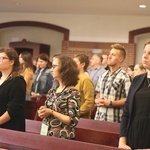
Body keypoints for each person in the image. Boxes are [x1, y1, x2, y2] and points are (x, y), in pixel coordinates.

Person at [38, 55, 80, 139]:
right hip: (46, 133)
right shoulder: (52, 91)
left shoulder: (73, 92)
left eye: (54, 66)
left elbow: (72, 120)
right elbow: (48, 109)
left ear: (65, 69)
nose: (51, 69)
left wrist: (51, 112)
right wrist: (43, 111)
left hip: (62, 137)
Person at [118, 41, 150, 150]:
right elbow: (127, 111)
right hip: (132, 136)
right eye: (144, 52)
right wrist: (122, 140)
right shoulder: (137, 79)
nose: (145, 56)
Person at [94, 44, 132, 122]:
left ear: (120, 59)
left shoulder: (125, 77)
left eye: (113, 55)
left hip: (115, 120)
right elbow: (98, 93)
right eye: (109, 54)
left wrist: (111, 103)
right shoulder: (102, 75)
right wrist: (97, 100)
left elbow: (130, 99)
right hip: (99, 118)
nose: (109, 56)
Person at [0, 47, 26, 131]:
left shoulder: (18, 81)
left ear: (11, 62)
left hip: (10, 129)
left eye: (1, 58)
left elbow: (13, 110)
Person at [74, 54, 94, 119]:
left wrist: (76, 113)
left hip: (81, 118)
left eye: (75, 62)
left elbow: (89, 102)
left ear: (82, 64)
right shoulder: (73, 78)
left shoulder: (86, 79)